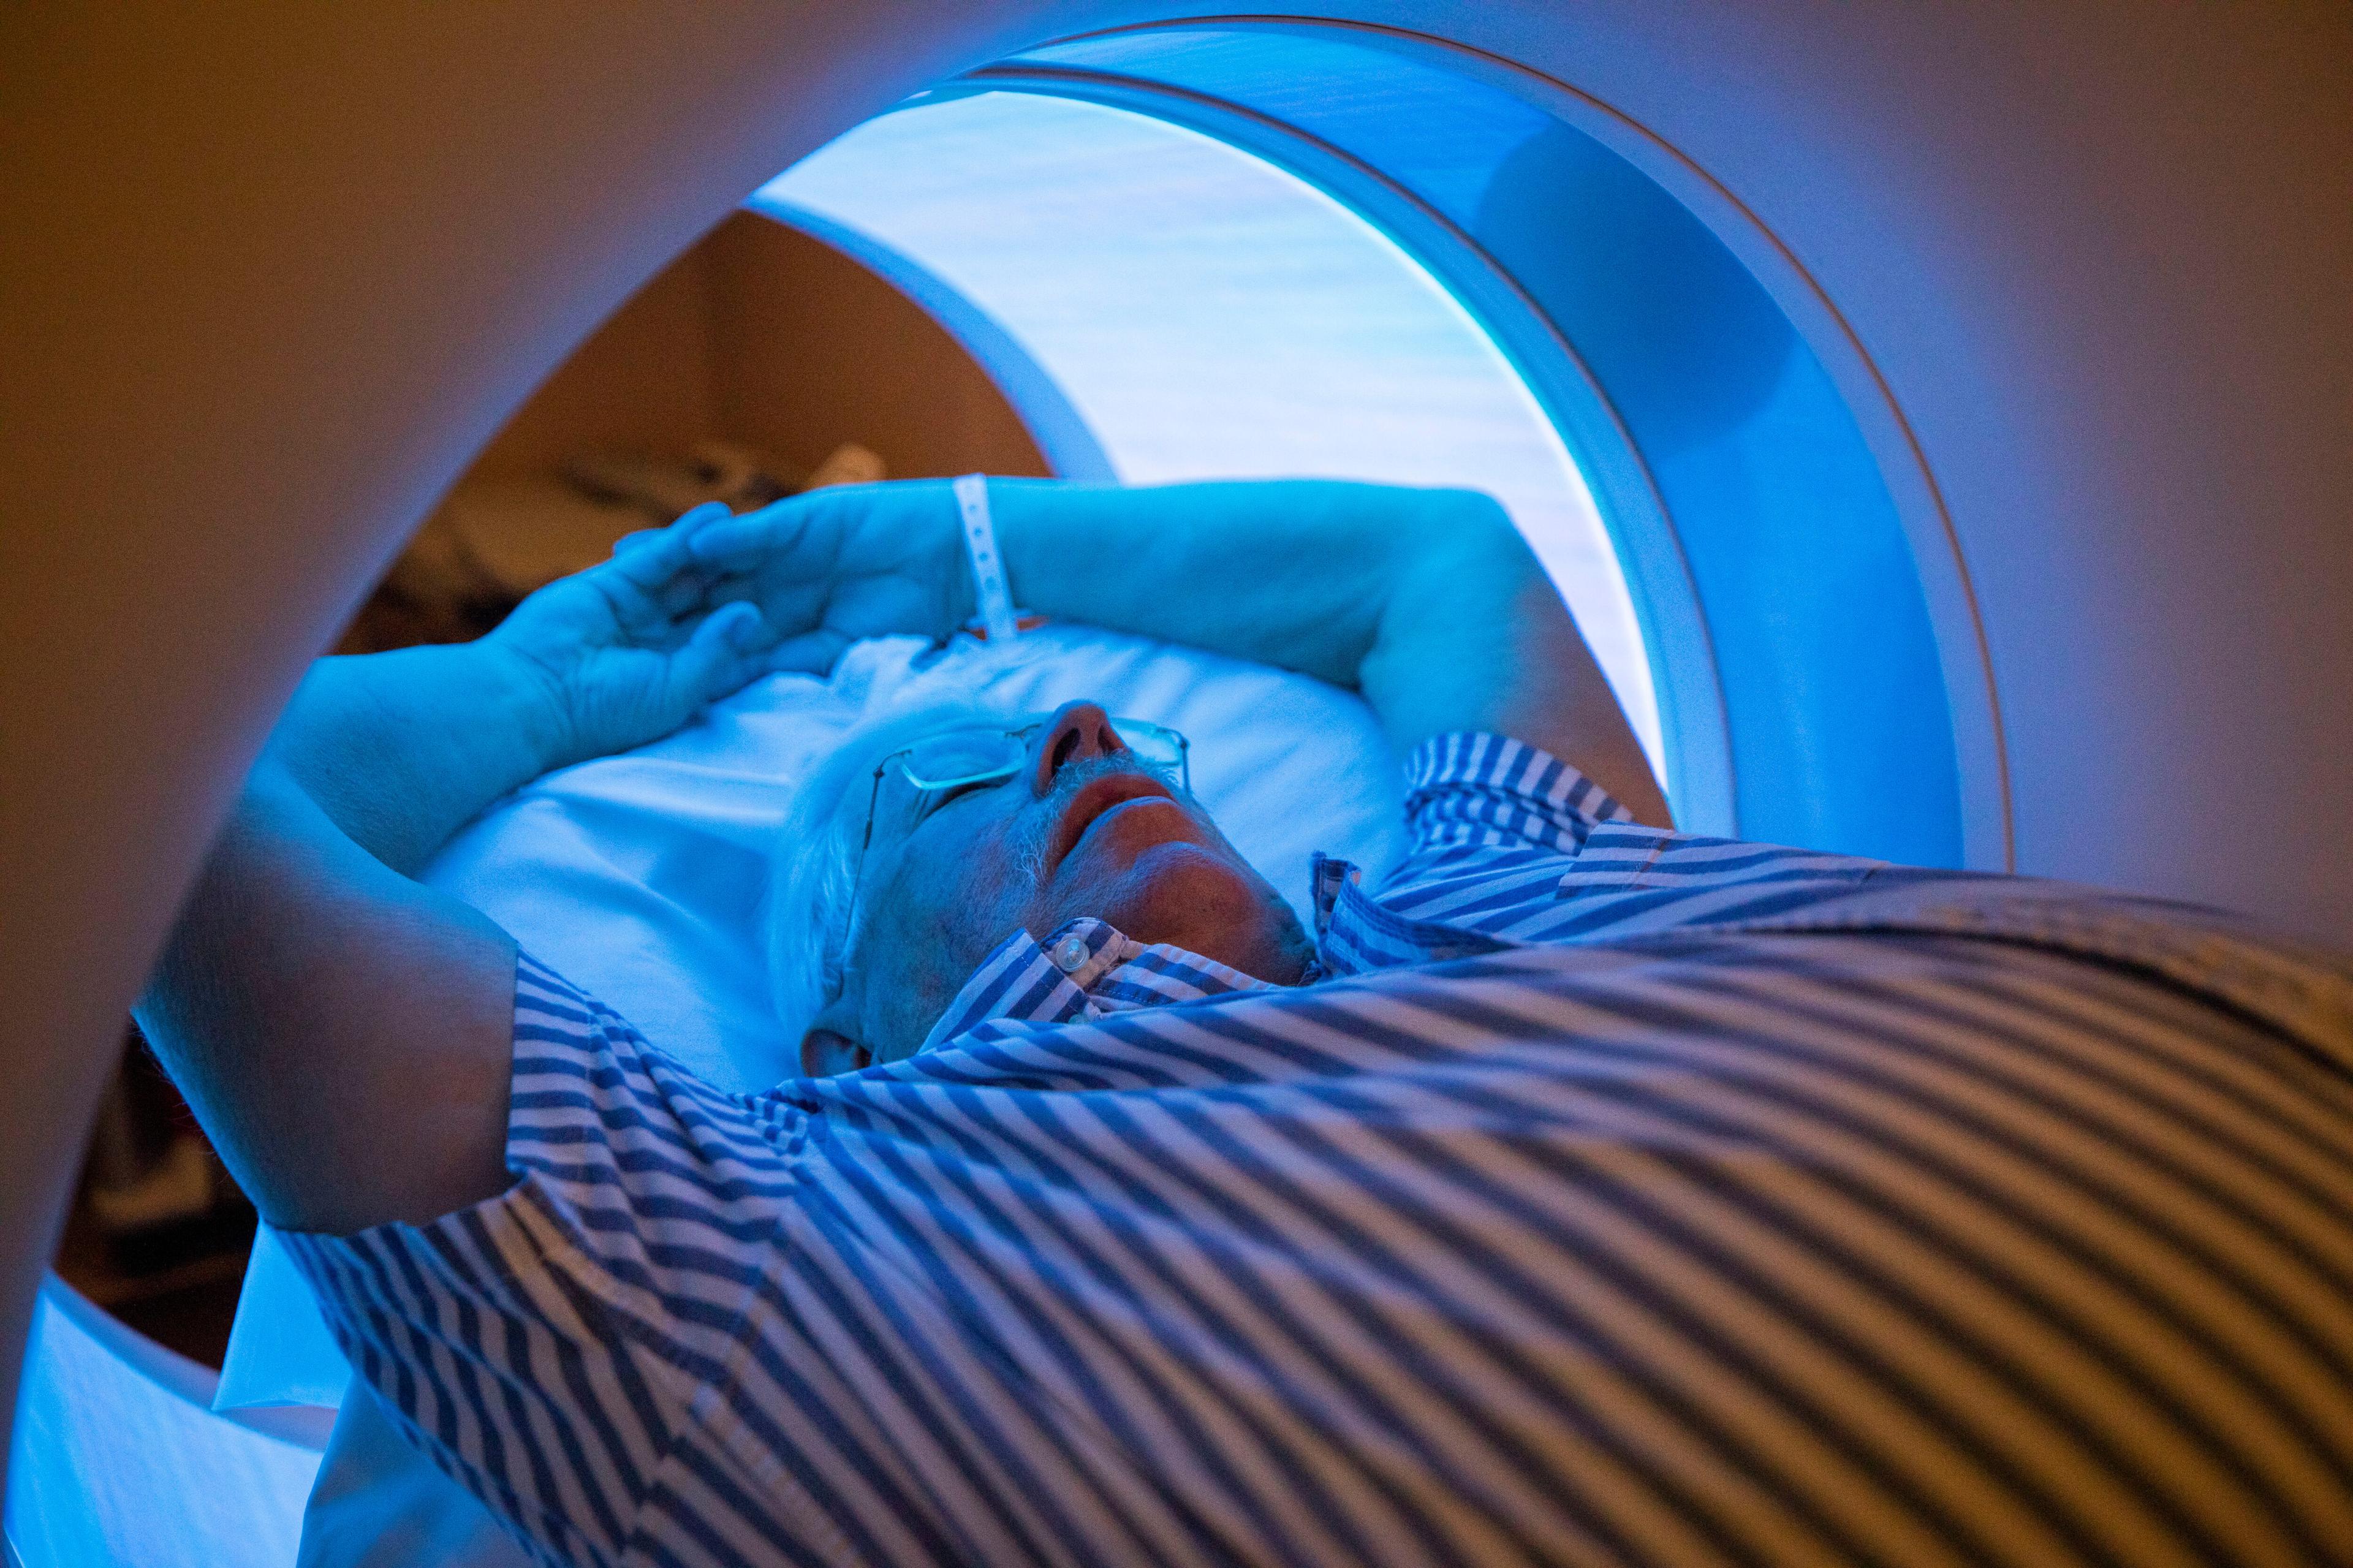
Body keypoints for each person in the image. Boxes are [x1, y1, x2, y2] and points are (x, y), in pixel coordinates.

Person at [140, 479, 2353, 1568]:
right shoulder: (757, 1267)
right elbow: (158, 795)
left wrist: (920, 557)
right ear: (833, 1035)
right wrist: (541, 690)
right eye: (961, 776)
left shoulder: (1484, 890)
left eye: (1133, 742)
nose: (1098, 726)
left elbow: (1439, 560)